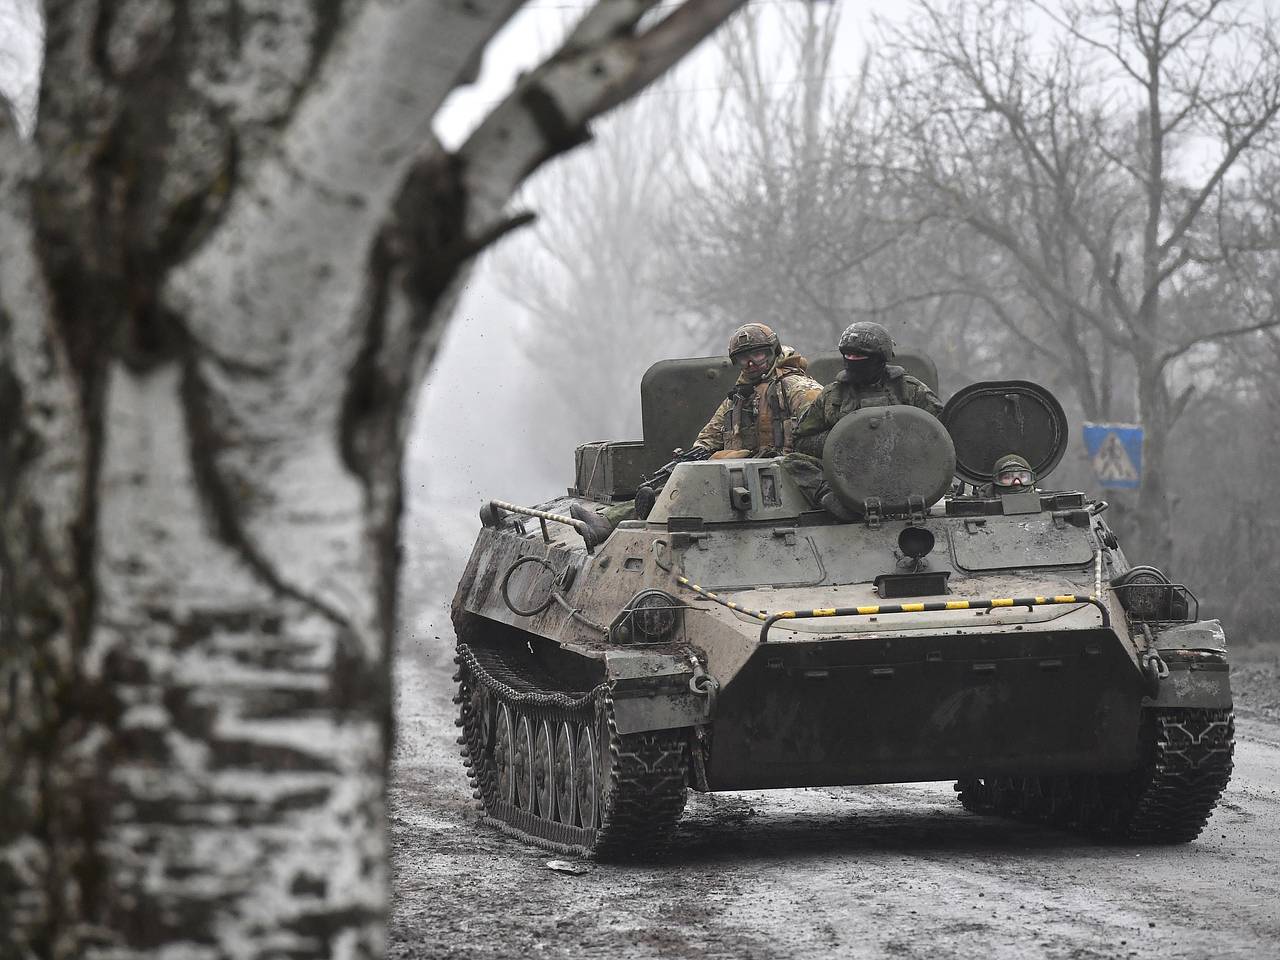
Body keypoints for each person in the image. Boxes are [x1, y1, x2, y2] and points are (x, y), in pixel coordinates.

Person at [571, 323, 822, 541]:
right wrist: (695, 456)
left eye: (757, 353)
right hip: (744, 474)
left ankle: (607, 523)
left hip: (786, 473)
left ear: (772, 352)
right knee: (678, 481)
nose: (751, 362)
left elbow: (821, 427)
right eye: (744, 357)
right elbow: (710, 435)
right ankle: (606, 522)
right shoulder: (740, 395)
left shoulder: (796, 387)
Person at [781, 321, 943, 520]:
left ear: (880, 357)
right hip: (847, 472)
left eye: (859, 356)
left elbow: (940, 434)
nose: (852, 361)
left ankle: (909, 503)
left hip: (901, 467)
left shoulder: (909, 389)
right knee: (792, 462)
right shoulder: (833, 395)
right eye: (848, 356)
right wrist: (842, 441)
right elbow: (801, 441)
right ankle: (833, 500)